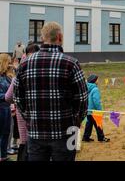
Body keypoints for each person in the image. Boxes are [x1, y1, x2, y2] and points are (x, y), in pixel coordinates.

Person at [14, 22, 88, 161]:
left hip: (35, 131)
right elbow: (82, 99)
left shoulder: (24, 64)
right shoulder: (71, 63)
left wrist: (30, 118)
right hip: (67, 130)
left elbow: (18, 98)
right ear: (60, 37)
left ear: (43, 38)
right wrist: (77, 121)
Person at [4, 44, 40, 161]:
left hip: (24, 125)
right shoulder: (45, 74)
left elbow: (8, 97)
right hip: (42, 130)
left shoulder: (19, 75)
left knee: (24, 148)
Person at [82, 75, 109, 143]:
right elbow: (96, 101)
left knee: (89, 124)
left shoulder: (86, 88)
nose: (98, 81)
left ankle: (86, 137)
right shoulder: (95, 89)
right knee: (98, 123)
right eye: (97, 79)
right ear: (94, 80)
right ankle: (101, 138)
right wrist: (99, 111)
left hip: (88, 110)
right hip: (95, 111)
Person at [0, 54, 13, 162]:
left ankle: (3, 156)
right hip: (1, 108)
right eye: (8, 62)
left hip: (7, 108)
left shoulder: (7, 76)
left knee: (6, 133)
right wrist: (5, 97)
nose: (10, 64)